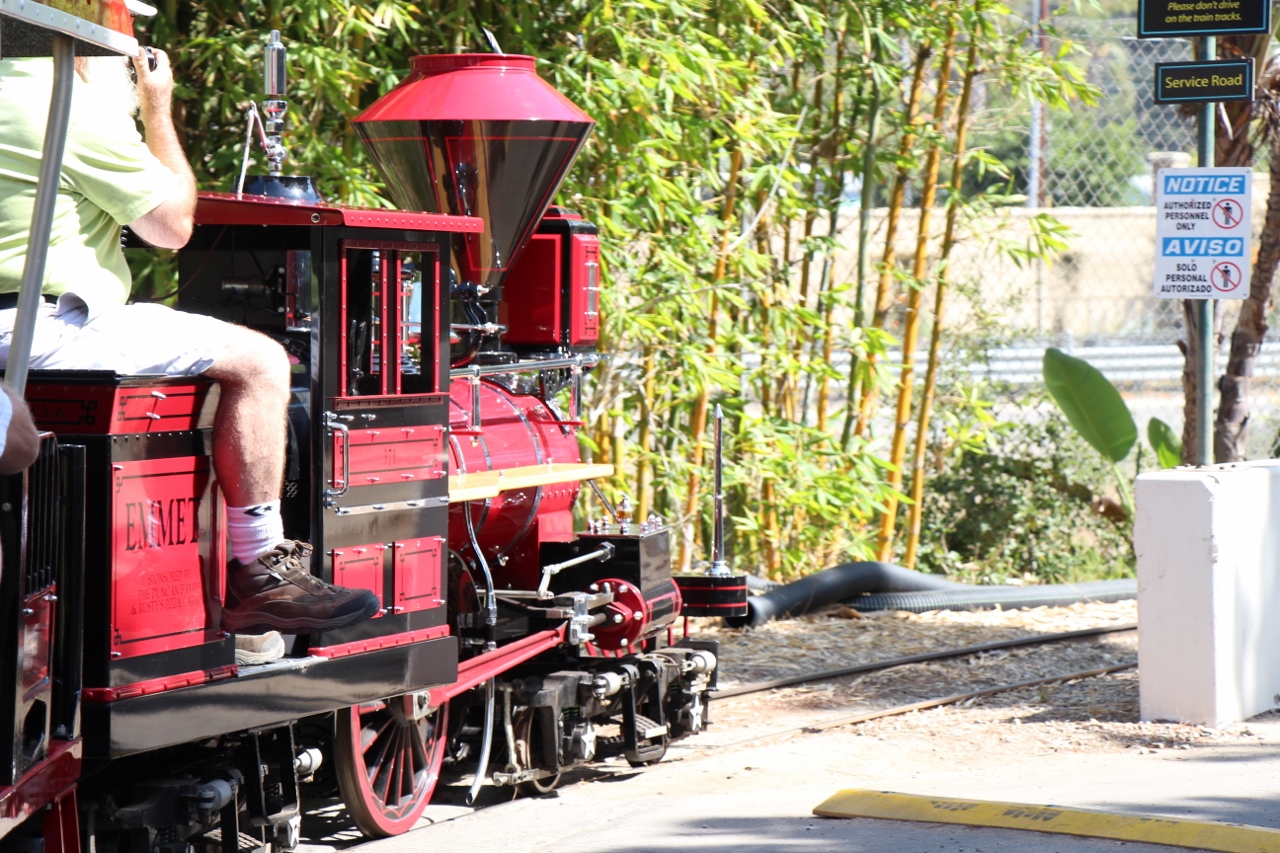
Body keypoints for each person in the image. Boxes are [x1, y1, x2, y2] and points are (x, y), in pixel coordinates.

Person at [0, 48, 378, 638]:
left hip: (18, 329)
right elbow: (171, 227)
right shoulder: (63, 105)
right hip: (33, 329)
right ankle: (259, 569)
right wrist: (157, 107)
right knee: (261, 360)